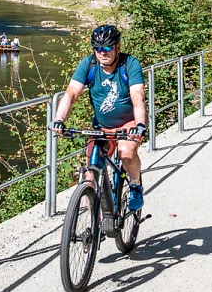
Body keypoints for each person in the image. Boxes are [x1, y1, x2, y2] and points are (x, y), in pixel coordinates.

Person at [50, 23, 149, 212]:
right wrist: (59, 120)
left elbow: (138, 97)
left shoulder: (129, 64)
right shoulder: (89, 64)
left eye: (107, 48)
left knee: (127, 154)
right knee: (90, 174)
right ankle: (93, 224)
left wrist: (140, 124)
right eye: (97, 48)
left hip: (127, 124)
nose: (102, 52)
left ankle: (135, 186)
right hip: (101, 126)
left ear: (117, 47)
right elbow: (71, 94)